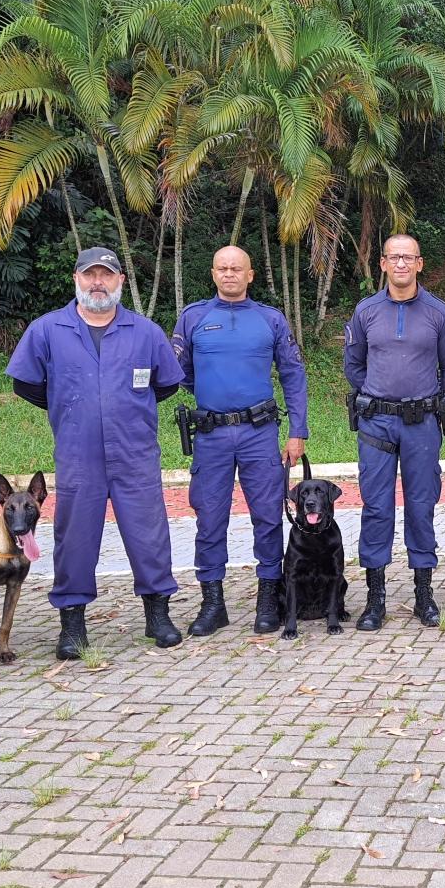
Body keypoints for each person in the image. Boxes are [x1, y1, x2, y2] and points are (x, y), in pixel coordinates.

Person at [7, 247, 186, 659]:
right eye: (90, 275)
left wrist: (121, 407)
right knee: (75, 536)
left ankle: (157, 615)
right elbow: (27, 384)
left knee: (149, 534)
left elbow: (167, 384)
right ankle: (72, 626)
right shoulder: (48, 329)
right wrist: (69, 406)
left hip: (134, 451)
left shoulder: (145, 332)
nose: (98, 283)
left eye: (107, 275)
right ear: (76, 279)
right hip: (77, 452)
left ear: (120, 281)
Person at [171, 245, 308, 638]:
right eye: (222, 268)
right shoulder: (194, 317)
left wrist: (297, 431)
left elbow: (294, 375)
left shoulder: (270, 319)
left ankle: (269, 598)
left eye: (237, 269)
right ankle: (213, 602)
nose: (229, 274)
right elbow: (179, 372)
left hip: (258, 433)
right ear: (213, 274)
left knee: (267, 516)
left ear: (250, 275)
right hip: (211, 435)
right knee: (209, 518)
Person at [343, 233, 445, 630]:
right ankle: (375, 599)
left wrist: (434, 401)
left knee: (421, 506)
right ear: (382, 263)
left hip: (422, 424)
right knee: (376, 507)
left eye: (408, 258)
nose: (401, 265)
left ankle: (423, 595)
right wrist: (377, 397)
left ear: (419, 264)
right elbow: (354, 364)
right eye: (394, 258)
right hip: (376, 422)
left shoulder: (438, 313)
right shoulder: (366, 312)